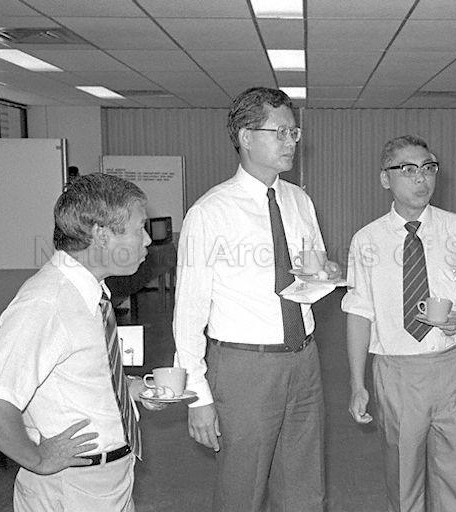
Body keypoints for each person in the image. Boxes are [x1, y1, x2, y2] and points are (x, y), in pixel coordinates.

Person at [173, 87, 334, 511]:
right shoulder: (210, 212)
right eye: (279, 132)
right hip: (245, 367)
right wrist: (198, 397)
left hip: (304, 359)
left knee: (305, 486)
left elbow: (309, 271)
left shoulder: (299, 200)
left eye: (294, 132)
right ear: (246, 136)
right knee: (241, 490)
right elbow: (188, 313)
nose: (291, 142)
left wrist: (326, 276)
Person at [0, 173, 160, 511]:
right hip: (73, 487)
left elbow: (71, 374)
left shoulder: (88, 292)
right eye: (138, 229)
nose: (146, 241)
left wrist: (126, 389)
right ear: (101, 235)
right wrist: (38, 458)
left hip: (105, 480)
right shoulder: (48, 302)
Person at [342, 135, 456, 511]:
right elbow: (360, 312)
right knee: (402, 473)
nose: (421, 179)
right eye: (408, 170)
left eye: (428, 168)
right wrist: (357, 383)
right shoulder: (367, 240)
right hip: (398, 371)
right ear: (385, 179)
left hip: (454, 364)